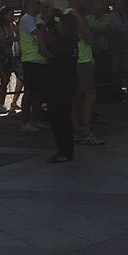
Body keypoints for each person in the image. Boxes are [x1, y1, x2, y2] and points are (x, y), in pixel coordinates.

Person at [63, 0, 106, 146]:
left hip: (81, 59)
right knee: (89, 95)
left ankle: (78, 129)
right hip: (81, 61)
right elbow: (89, 38)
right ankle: (85, 131)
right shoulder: (73, 15)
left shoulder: (73, 14)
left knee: (78, 97)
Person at [47, 9, 80, 162]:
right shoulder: (73, 42)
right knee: (66, 117)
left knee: (59, 118)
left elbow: (46, 51)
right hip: (70, 81)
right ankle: (68, 150)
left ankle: (63, 151)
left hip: (59, 83)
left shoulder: (62, 44)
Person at [17, 0, 51, 131]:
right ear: (31, 5)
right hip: (31, 59)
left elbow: (45, 33)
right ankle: (25, 122)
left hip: (40, 60)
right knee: (30, 92)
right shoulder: (26, 19)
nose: (40, 6)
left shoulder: (38, 19)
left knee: (38, 93)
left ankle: (35, 120)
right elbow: (38, 35)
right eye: (38, 3)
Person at [0, 4, 20, 115]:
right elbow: (0, 40)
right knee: (4, 80)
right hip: (1, 55)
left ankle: (7, 102)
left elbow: (17, 34)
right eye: (10, 15)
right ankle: (0, 103)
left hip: (9, 54)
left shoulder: (10, 25)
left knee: (8, 79)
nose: (12, 17)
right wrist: (11, 39)